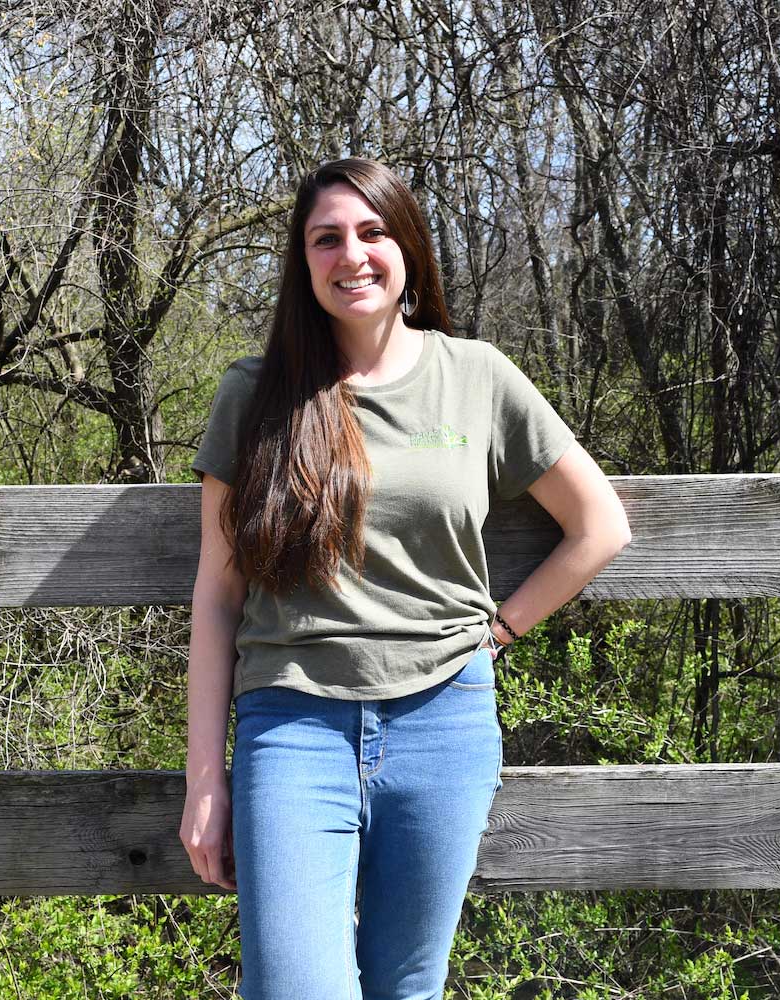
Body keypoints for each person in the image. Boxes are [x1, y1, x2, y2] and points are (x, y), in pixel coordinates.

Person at [180, 156, 630, 1000]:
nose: (351, 254)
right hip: (292, 725)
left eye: (371, 231)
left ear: (407, 249)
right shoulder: (257, 394)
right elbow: (217, 595)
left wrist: (498, 632)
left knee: (405, 989)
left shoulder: (477, 378)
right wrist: (205, 781)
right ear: (302, 261)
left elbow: (599, 525)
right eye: (326, 239)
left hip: (444, 726)